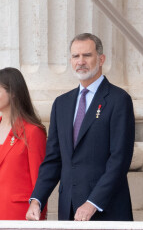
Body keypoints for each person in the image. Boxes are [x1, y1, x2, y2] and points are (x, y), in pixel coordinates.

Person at [26, 33, 135, 221]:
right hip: (69, 210)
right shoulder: (61, 104)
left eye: (87, 55)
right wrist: (37, 200)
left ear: (101, 59)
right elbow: (53, 159)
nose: (81, 61)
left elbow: (120, 160)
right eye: (76, 56)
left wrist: (93, 202)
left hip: (106, 210)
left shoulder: (119, 100)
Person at [0, 67, 47, 220]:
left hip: (19, 216)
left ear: (13, 92)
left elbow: (41, 183)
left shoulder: (32, 132)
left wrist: (39, 219)